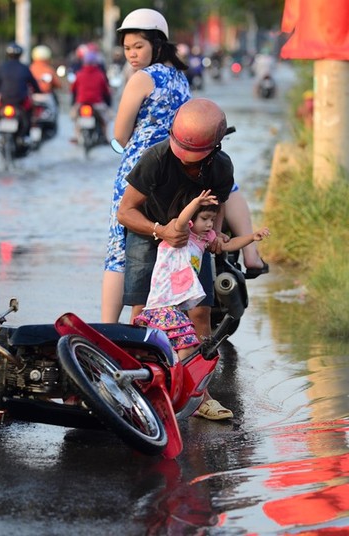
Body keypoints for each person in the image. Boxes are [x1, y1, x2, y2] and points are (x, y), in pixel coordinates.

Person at [117, 98, 236, 418]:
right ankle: (138, 391)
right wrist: (161, 230)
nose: (187, 163)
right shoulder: (155, 158)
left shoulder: (221, 166)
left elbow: (219, 205)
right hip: (149, 231)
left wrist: (216, 234)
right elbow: (125, 212)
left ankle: (199, 395)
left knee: (199, 313)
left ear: (215, 147)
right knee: (144, 312)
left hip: (193, 242)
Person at [101, 7, 190, 323]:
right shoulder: (181, 79)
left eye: (138, 47)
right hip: (174, 177)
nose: (132, 55)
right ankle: (149, 326)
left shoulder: (142, 78)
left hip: (136, 174)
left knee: (119, 251)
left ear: (157, 43)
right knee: (159, 248)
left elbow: (120, 135)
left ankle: (108, 330)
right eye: (126, 48)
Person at [133, 188, 269, 370]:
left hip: (176, 308)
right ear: (192, 219)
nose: (209, 224)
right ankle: (183, 381)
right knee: (187, 345)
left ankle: (176, 379)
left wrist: (252, 237)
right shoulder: (180, 234)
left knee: (180, 346)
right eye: (204, 219)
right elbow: (182, 220)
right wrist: (196, 203)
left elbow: (228, 244)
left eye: (212, 220)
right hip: (162, 306)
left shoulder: (204, 239)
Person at [0, 42, 41, 141]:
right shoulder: (25, 68)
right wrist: (38, 91)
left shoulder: (2, 67)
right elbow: (34, 84)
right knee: (30, 113)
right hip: (20, 101)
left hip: (5, 100)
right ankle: (26, 136)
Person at [69, 50, 112, 142]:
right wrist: (108, 104)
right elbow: (106, 91)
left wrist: (74, 102)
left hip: (81, 102)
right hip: (97, 103)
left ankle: (76, 137)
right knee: (106, 120)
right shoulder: (100, 75)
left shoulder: (79, 74)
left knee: (75, 119)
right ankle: (105, 137)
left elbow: (73, 90)